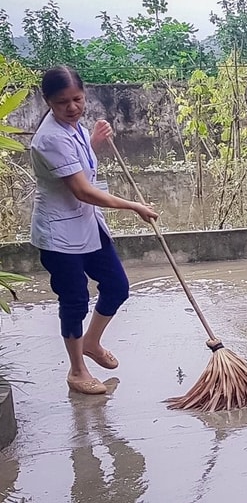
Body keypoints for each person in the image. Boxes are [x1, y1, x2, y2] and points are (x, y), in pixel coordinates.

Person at [30, 66, 158, 395]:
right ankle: (76, 370)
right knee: (74, 301)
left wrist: (93, 142)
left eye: (78, 99)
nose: (72, 107)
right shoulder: (49, 139)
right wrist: (134, 206)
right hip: (60, 235)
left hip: (86, 223)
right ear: (48, 102)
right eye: (62, 103)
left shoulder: (72, 128)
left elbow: (78, 164)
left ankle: (91, 342)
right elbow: (83, 190)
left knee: (116, 287)